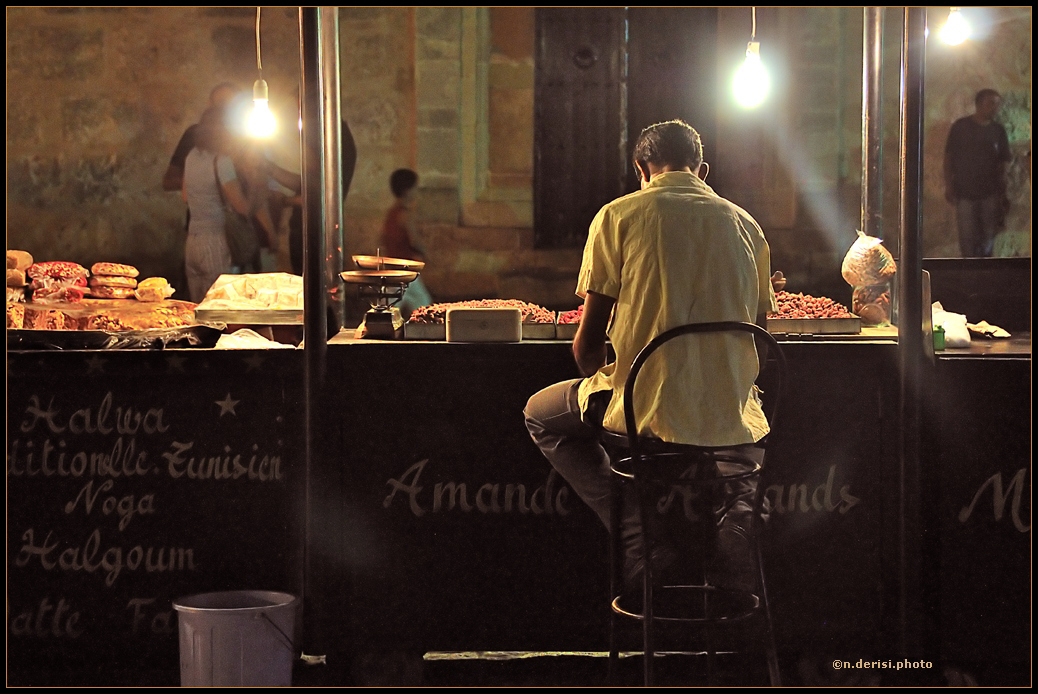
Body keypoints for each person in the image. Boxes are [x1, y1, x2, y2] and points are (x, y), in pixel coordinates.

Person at [523, 119, 777, 590]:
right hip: (729, 413)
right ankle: (737, 518)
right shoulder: (747, 225)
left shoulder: (618, 216)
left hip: (643, 411)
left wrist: (610, 375)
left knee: (540, 414)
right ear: (703, 170)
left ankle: (638, 537)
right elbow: (759, 334)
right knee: (733, 421)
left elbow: (586, 348)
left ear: (641, 167)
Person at [181, 105, 276, 302]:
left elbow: (185, 196)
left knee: (197, 307)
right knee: (219, 308)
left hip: (192, 240)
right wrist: (256, 189)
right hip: (215, 241)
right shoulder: (221, 161)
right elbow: (241, 207)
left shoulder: (191, 156)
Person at [943, 88, 1011, 257]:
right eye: (992, 103)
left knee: (989, 236)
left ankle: (985, 274)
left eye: (997, 104)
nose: (996, 108)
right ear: (979, 104)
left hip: (990, 192)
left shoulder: (998, 130)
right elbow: (948, 158)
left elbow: (1002, 163)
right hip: (965, 191)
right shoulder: (960, 127)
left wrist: (1002, 191)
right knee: (967, 238)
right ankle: (968, 274)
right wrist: (949, 186)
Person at [379, 168, 433, 318]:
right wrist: (425, 253)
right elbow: (414, 241)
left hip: (394, 270)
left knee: (387, 310)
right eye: (415, 187)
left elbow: (383, 240)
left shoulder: (392, 213)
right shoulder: (404, 214)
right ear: (407, 190)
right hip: (406, 272)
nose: (417, 191)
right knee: (425, 307)